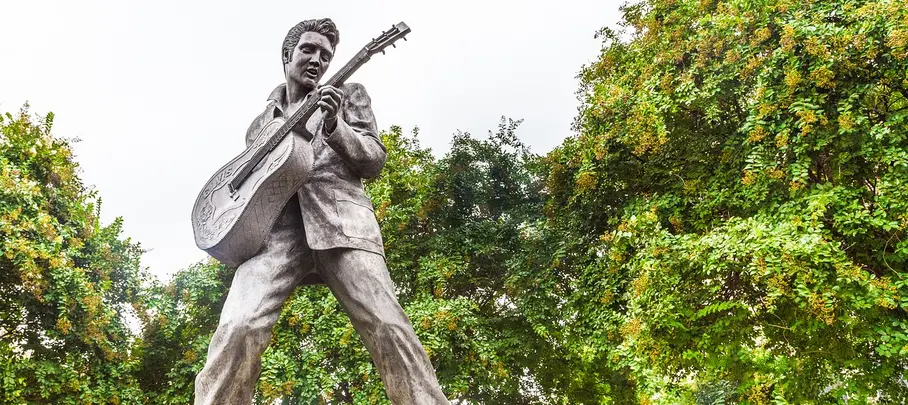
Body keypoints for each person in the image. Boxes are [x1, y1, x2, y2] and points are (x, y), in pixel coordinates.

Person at [193, 18, 451, 405]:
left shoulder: (350, 95)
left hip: (343, 226)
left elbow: (374, 159)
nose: (317, 60)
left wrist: (335, 125)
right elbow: (249, 188)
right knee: (238, 326)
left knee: (388, 327)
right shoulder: (260, 124)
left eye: (325, 55)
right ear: (288, 54)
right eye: (308, 50)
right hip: (275, 234)